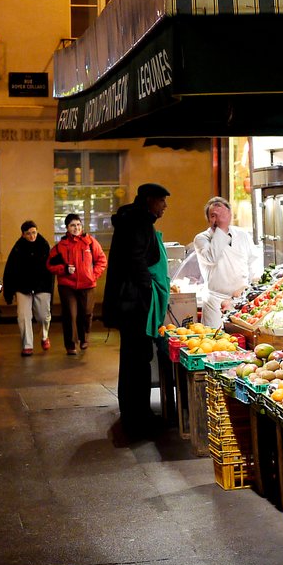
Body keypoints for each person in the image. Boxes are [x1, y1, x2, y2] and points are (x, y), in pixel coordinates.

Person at [102, 183, 170, 438]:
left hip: (128, 303)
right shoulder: (139, 222)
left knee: (132, 360)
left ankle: (133, 414)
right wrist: (149, 289)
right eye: (162, 200)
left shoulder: (131, 220)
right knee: (138, 361)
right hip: (135, 305)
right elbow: (137, 261)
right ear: (150, 200)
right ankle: (138, 419)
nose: (165, 206)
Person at [190, 196, 262, 328]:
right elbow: (211, 257)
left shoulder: (243, 235)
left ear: (229, 215)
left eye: (222, 214)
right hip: (215, 301)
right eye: (213, 215)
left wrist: (251, 286)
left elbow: (254, 261)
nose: (218, 219)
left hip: (241, 299)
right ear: (208, 219)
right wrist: (222, 229)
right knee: (216, 343)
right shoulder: (201, 239)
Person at [47, 213, 108, 355]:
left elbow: (101, 260)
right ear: (67, 228)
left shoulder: (90, 242)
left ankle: (84, 337)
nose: (76, 228)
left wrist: (93, 275)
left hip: (87, 285)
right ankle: (71, 344)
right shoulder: (60, 246)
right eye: (73, 225)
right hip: (67, 286)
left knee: (86, 313)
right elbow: (50, 265)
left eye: (78, 225)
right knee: (70, 314)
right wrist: (64, 269)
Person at [3, 219, 54, 356]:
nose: (32, 236)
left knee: (43, 316)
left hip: (41, 286)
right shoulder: (18, 249)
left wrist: (50, 289)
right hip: (22, 287)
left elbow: (50, 270)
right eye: (28, 233)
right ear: (23, 234)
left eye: (34, 232)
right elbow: (10, 271)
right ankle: (27, 345)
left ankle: (44, 335)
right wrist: (8, 293)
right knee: (23, 316)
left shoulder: (44, 246)